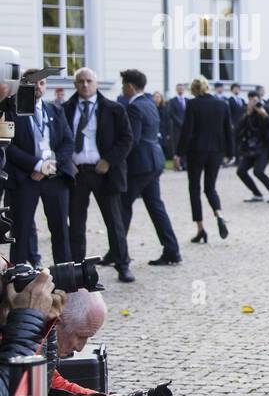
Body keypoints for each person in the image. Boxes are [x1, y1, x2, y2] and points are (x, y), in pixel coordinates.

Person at [64, 68, 135, 283]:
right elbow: (60, 139)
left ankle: (123, 264)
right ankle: (77, 270)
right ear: (75, 84)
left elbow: (126, 139)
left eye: (89, 81)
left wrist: (109, 160)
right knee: (76, 223)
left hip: (104, 172)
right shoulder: (66, 109)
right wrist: (67, 163)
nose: (85, 85)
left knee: (114, 222)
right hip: (77, 173)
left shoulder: (113, 109)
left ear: (96, 83)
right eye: (80, 81)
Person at [7, 69, 74, 267]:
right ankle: (17, 279)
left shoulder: (54, 109)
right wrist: (36, 165)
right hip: (26, 178)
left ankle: (65, 278)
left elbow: (68, 142)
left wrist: (50, 165)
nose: (38, 87)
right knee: (21, 231)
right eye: (33, 83)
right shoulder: (11, 110)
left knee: (61, 230)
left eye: (42, 83)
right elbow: (7, 146)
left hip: (55, 176)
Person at [119, 69, 182, 267]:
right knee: (156, 207)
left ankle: (119, 252)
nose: (122, 89)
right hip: (155, 161)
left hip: (141, 164)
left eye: (123, 85)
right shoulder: (149, 103)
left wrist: (116, 160)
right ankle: (172, 249)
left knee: (123, 207)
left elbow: (133, 140)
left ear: (129, 86)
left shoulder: (134, 107)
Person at [177, 75, 234, 243]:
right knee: (210, 188)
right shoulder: (222, 105)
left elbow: (187, 130)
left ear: (194, 90)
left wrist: (179, 153)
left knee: (194, 188)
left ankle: (201, 228)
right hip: (216, 151)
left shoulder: (193, 104)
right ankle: (219, 213)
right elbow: (228, 130)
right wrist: (230, 152)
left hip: (197, 151)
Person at [235, 92, 269, 203]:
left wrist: (264, 115)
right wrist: (248, 114)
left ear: (260, 99)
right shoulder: (248, 111)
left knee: (258, 171)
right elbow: (239, 128)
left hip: (265, 145)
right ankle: (257, 194)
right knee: (241, 171)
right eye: (250, 100)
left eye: (255, 100)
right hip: (250, 146)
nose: (253, 103)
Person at [167, 83, 187, 170]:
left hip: (186, 128)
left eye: (182, 88)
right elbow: (171, 114)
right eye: (179, 88)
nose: (180, 90)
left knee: (186, 145)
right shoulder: (172, 101)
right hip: (176, 129)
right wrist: (180, 123)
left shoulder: (187, 100)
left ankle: (186, 164)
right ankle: (178, 165)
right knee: (178, 146)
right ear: (176, 90)